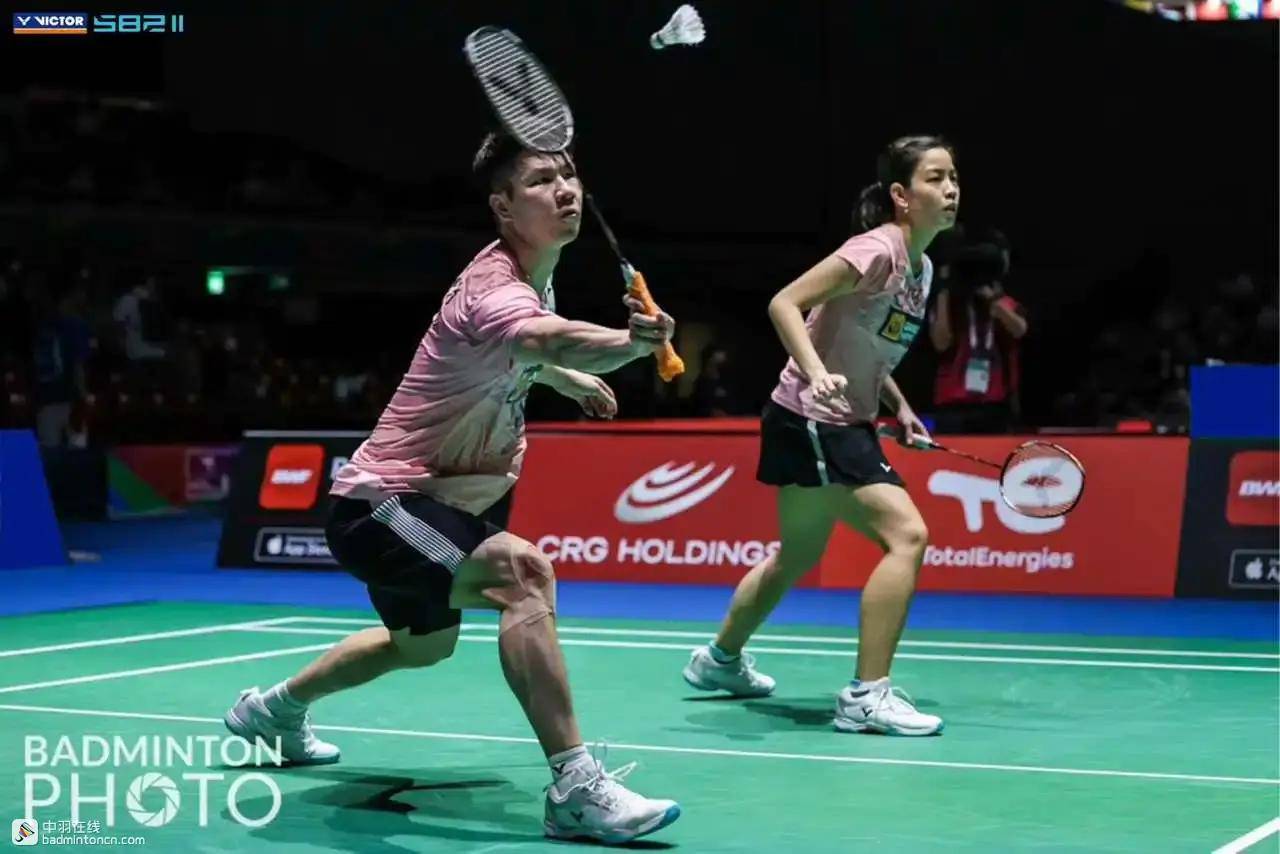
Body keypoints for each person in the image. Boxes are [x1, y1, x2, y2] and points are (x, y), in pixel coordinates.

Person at [223, 130, 682, 844]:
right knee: (525, 576)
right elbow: (541, 336)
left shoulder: (534, 278)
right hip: (384, 506)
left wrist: (565, 380)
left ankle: (273, 711)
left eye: (568, 176)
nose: (564, 190)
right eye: (541, 181)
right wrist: (628, 345)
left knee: (420, 647)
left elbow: (528, 350)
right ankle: (575, 787)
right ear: (503, 206)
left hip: (433, 504)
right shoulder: (493, 289)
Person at [681, 136, 958, 736]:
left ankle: (719, 661)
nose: (950, 189)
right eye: (935, 178)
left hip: (829, 418)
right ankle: (866, 695)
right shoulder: (875, 249)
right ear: (901, 195)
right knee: (908, 536)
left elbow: (872, 350)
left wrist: (901, 409)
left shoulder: (922, 268)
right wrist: (816, 373)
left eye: (953, 177)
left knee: (797, 554)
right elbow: (785, 303)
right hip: (814, 416)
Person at [928, 229, 1028, 433]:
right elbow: (941, 343)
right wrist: (944, 289)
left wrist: (993, 300)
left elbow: (1019, 330)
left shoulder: (1006, 304)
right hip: (952, 404)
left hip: (995, 404)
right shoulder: (949, 305)